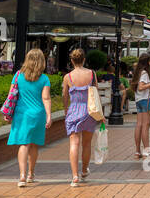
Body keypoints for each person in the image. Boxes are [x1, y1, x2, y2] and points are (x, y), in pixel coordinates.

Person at [7, 48, 52, 186]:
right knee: (33, 145)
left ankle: (22, 176)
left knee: (24, 144)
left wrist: (8, 113)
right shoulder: (44, 78)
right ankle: (31, 174)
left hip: (21, 114)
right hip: (37, 114)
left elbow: (11, 95)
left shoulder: (18, 76)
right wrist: (49, 115)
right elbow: (46, 98)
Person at [63, 47, 100, 186]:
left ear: (72, 61)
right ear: (84, 59)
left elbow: (64, 96)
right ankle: (84, 170)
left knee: (74, 143)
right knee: (86, 144)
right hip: (89, 111)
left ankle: (75, 176)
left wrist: (66, 110)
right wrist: (100, 114)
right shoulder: (92, 74)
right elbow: (96, 94)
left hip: (74, 110)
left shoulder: (68, 77)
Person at [130, 54, 150, 158]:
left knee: (139, 125)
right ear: (148, 62)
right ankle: (147, 151)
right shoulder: (145, 72)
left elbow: (138, 87)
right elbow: (141, 87)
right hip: (146, 100)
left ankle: (138, 151)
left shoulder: (138, 72)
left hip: (139, 100)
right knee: (145, 125)